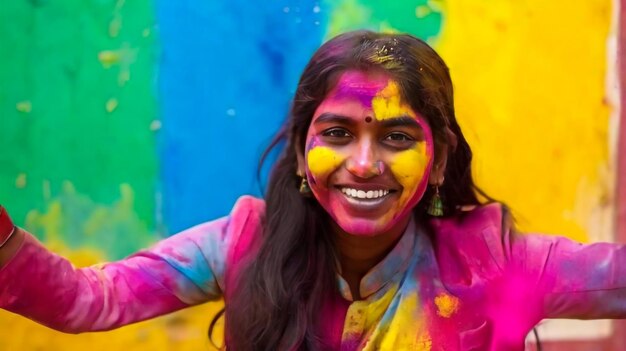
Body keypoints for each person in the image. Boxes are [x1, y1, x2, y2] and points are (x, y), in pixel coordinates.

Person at [0, 30, 625, 351]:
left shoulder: (497, 262)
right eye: (337, 133)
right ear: (303, 150)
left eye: (397, 138)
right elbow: (87, 301)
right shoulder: (240, 246)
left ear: (438, 164)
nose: (363, 163)